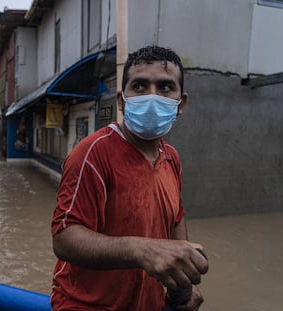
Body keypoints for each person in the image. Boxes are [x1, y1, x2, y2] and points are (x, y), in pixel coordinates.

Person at [50, 45, 209, 311]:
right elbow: (64, 238)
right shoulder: (91, 153)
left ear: (181, 104)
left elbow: (176, 218)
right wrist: (142, 251)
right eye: (139, 86)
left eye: (166, 87)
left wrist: (183, 285)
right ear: (122, 101)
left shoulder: (171, 157)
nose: (152, 96)